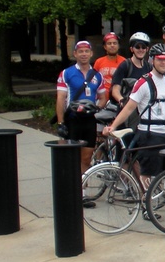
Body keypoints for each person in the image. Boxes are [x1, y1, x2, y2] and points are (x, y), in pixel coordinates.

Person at [102, 43, 165, 185]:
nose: (164, 62)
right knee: (147, 174)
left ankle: (152, 198)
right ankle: (145, 203)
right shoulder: (143, 83)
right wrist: (113, 126)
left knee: (164, 171)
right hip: (149, 135)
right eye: (160, 59)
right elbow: (129, 108)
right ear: (152, 60)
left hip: (164, 133)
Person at [56, 40, 104, 175]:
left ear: (91, 53)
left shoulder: (97, 75)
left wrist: (97, 107)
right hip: (72, 119)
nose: (84, 54)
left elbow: (103, 97)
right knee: (72, 156)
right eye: (80, 51)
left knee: (87, 157)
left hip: (89, 120)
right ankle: (73, 187)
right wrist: (61, 123)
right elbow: (60, 98)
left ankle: (82, 188)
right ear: (75, 54)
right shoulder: (66, 73)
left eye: (86, 51)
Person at [110, 32, 153, 112]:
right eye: (137, 47)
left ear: (147, 49)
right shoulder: (125, 66)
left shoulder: (149, 67)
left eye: (143, 47)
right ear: (131, 49)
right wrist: (122, 100)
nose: (141, 50)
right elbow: (115, 90)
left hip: (144, 110)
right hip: (127, 110)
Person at [92, 32, 125, 128]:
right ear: (105, 46)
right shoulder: (99, 62)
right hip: (101, 100)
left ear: (118, 46)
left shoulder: (124, 62)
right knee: (98, 129)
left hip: (115, 102)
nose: (112, 46)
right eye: (109, 43)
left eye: (115, 43)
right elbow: (93, 81)